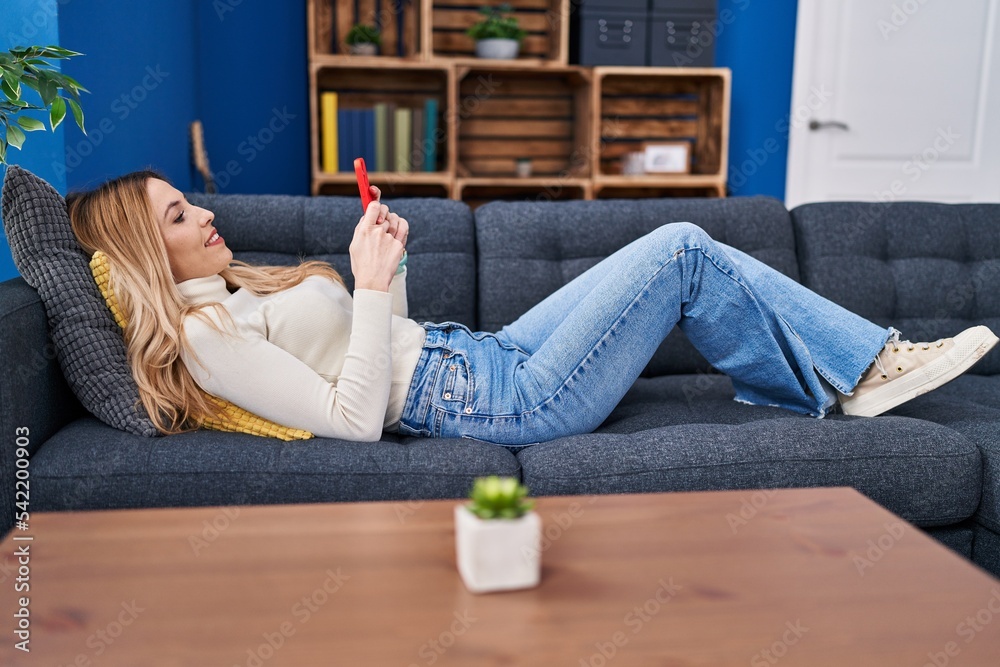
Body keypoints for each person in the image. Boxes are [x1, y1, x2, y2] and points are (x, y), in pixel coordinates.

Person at [67, 170, 999, 444]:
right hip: (492, 402)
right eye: (180, 216)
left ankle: (834, 378)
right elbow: (355, 421)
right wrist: (374, 285)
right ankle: (870, 364)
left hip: (480, 353)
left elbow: (385, 343)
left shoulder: (238, 290)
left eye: (190, 201)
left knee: (683, 247)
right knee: (678, 250)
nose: (207, 215)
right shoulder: (202, 334)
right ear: (146, 249)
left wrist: (387, 270)